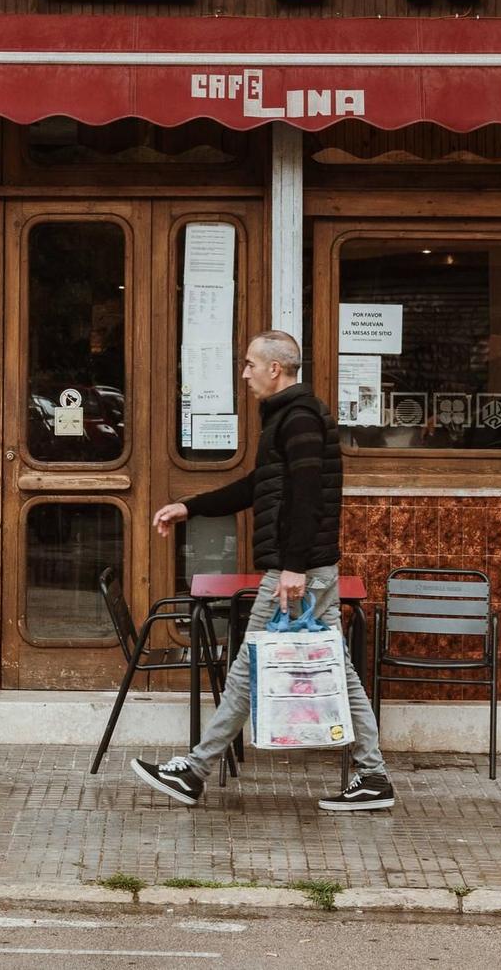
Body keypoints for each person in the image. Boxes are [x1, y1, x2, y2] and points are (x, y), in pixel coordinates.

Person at [131, 330, 395, 812]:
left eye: (251, 363)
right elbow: (260, 485)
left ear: (275, 369)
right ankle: (373, 775)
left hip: (299, 572)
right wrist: (189, 508)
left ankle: (194, 770)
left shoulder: (298, 420)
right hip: (307, 569)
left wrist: (294, 567)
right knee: (336, 669)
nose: (245, 371)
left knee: (249, 666)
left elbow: (309, 495)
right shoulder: (289, 418)